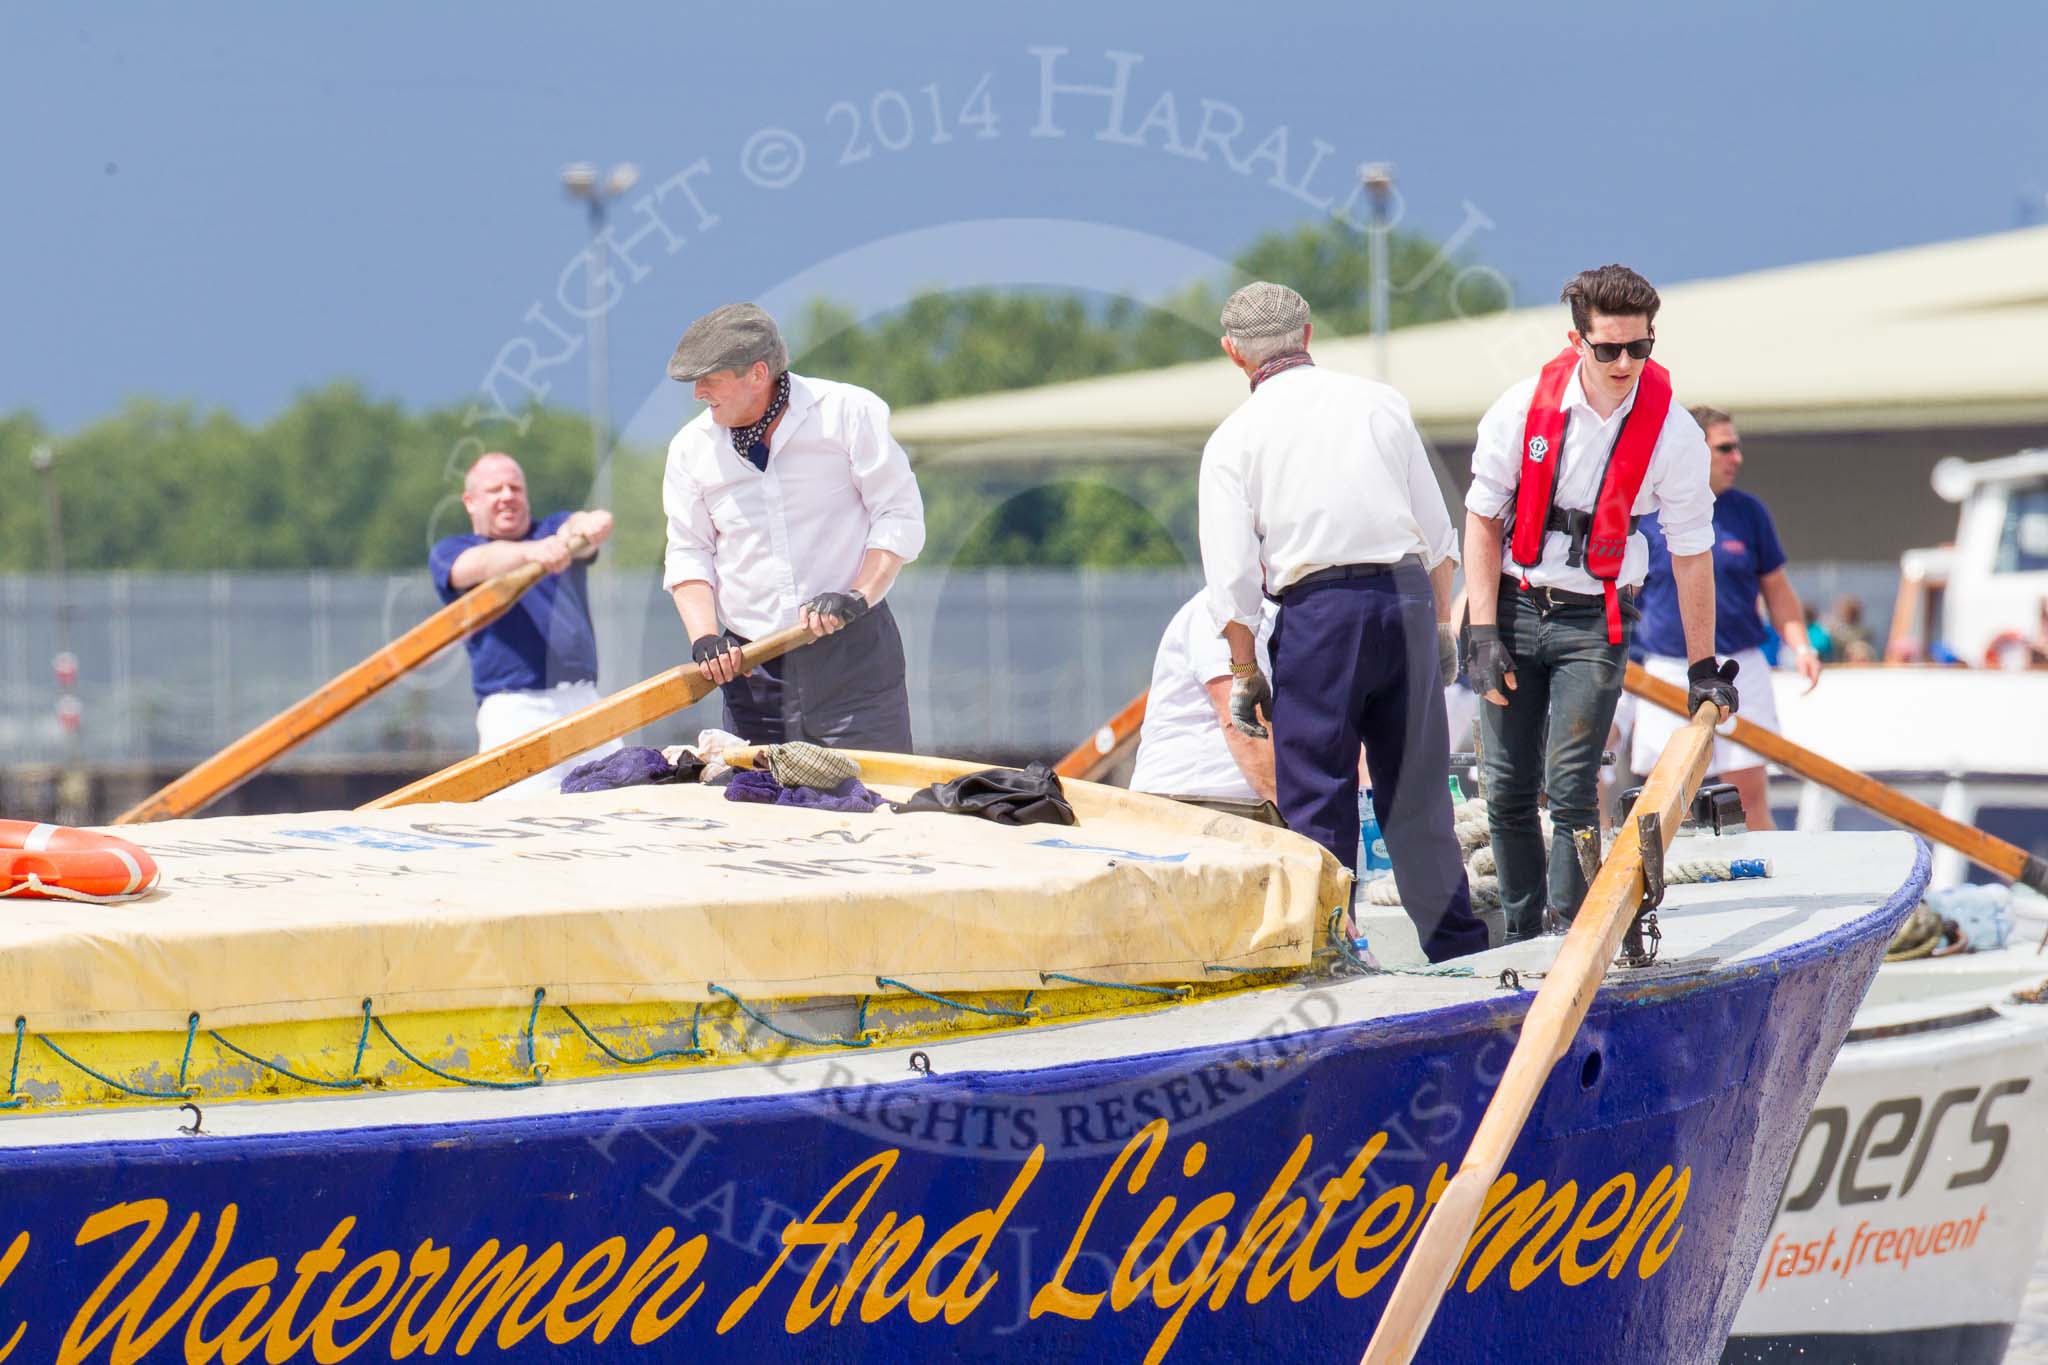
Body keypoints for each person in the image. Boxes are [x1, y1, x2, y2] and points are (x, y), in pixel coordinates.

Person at [1198, 281, 1487, 962]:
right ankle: (1460, 953)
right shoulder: (1380, 402)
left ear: (1233, 353)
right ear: (1308, 334)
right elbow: (1437, 533)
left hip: (1320, 614)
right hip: (1407, 597)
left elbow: (1233, 579)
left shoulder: (1234, 438)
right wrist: (1440, 627)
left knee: (1318, 795)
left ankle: (1326, 953)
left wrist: (1244, 671)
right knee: (1418, 797)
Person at [1463, 265, 1738, 942]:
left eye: (1638, 348)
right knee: (1504, 787)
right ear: (1577, 339)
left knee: (1572, 780)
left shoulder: (1672, 435)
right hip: (1516, 605)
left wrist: (1703, 663)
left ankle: (1570, 933)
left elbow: (1691, 549)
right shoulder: (1523, 408)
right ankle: (1526, 933)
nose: (1624, 363)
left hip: (1598, 617)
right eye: (1608, 348)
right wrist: (1480, 629)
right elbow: (1479, 518)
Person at [662, 303, 925, 750]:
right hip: (753, 672)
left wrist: (856, 595)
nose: (698, 393)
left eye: (710, 378)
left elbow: (897, 515)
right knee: (759, 810)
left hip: (853, 658)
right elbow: (689, 550)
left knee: (877, 804)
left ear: (758, 374)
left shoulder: (848, 412)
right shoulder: (690, 448)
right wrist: (705, 636)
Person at [1631, 406, 1822, 828]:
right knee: (1662, 801)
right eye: (1725, 448)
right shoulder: (1647, 515)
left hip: (1739, 664)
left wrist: (1802, 646)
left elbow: (1777, 590)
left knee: (1748, 797)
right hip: (1666, 667)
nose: (1736, 458)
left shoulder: (1748, 513)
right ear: (1693, 452)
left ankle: (1768, 881)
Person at [430, 451, 618, 800]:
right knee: (523, 819)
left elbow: (585, 523)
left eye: (515, 487)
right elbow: (478, 564)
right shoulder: (453, 549)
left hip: (584, 701)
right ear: (470, 502)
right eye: (495, 489)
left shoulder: (552, 531)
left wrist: (587, 524)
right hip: (515, 710)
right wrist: (532, 553)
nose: (507, 496)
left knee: (625, 802)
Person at [1128, 593, 1284, 825]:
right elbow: (1243, 727)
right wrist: (1299, 819)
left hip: (1234, 811)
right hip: (1193, 810)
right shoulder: (1222, 607)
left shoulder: (1281, 614)